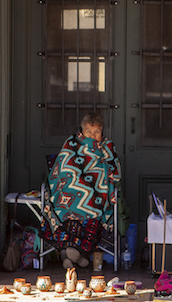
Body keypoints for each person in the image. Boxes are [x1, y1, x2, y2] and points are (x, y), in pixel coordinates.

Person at [45, 112, 122, 269]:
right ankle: (76, 255)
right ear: (81, 131)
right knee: (71, 208)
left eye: (97, 132)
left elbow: (116, 172)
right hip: (69, 191)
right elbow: (63, 167)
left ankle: (71, 254)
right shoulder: (71, 143)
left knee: (91, 208)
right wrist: (77, 185)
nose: (92, 136)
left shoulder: (107, 147)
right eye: (89, 131)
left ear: (102, 133)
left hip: (97, 193)